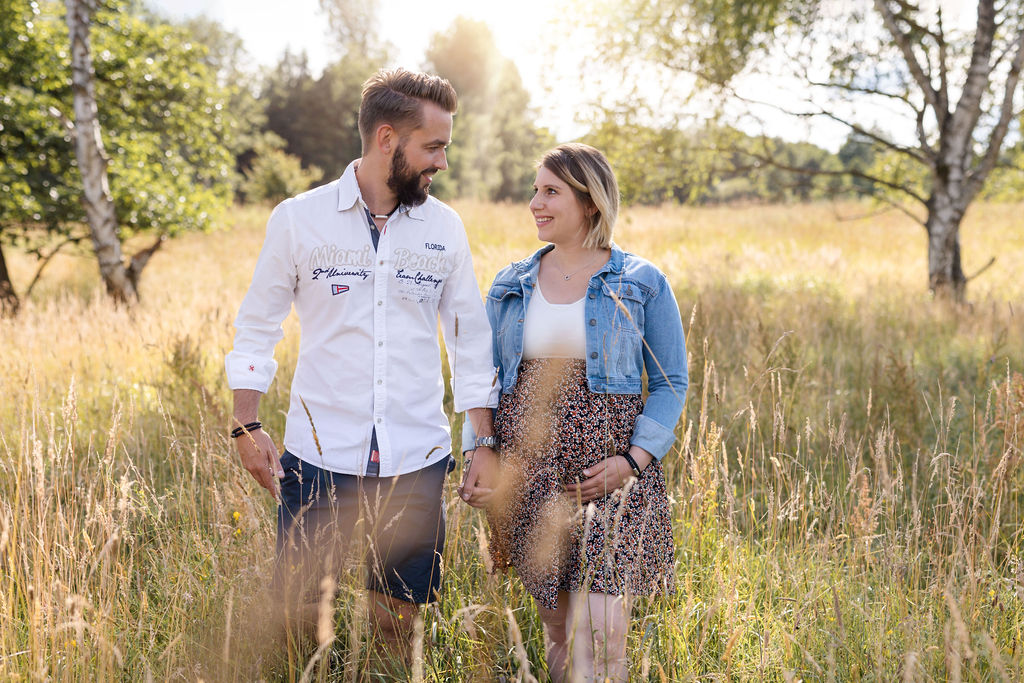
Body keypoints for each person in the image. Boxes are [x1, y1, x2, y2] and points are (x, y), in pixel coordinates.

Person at [225, 68, 500, 664]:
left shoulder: (445, 227)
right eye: (434, 146)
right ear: (386, 139)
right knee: (302, 620)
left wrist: (482, 440)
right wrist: (246, 425)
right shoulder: (300, 219)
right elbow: (258, 325)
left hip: (416, 458)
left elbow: (469, 342)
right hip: (319, 456)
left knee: (398, 622)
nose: (442, 163)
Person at [459, 143, 688, 682]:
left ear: (589, 203)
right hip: (532, 471)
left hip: (612, 477)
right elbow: (481, 381)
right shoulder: (510, 284)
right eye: (535, 190)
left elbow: (672, 381)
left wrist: (633, 461)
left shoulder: (641, 282)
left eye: (550, 191)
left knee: (604, 636)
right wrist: (479, 450)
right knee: (558, 631)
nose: (535, 202)